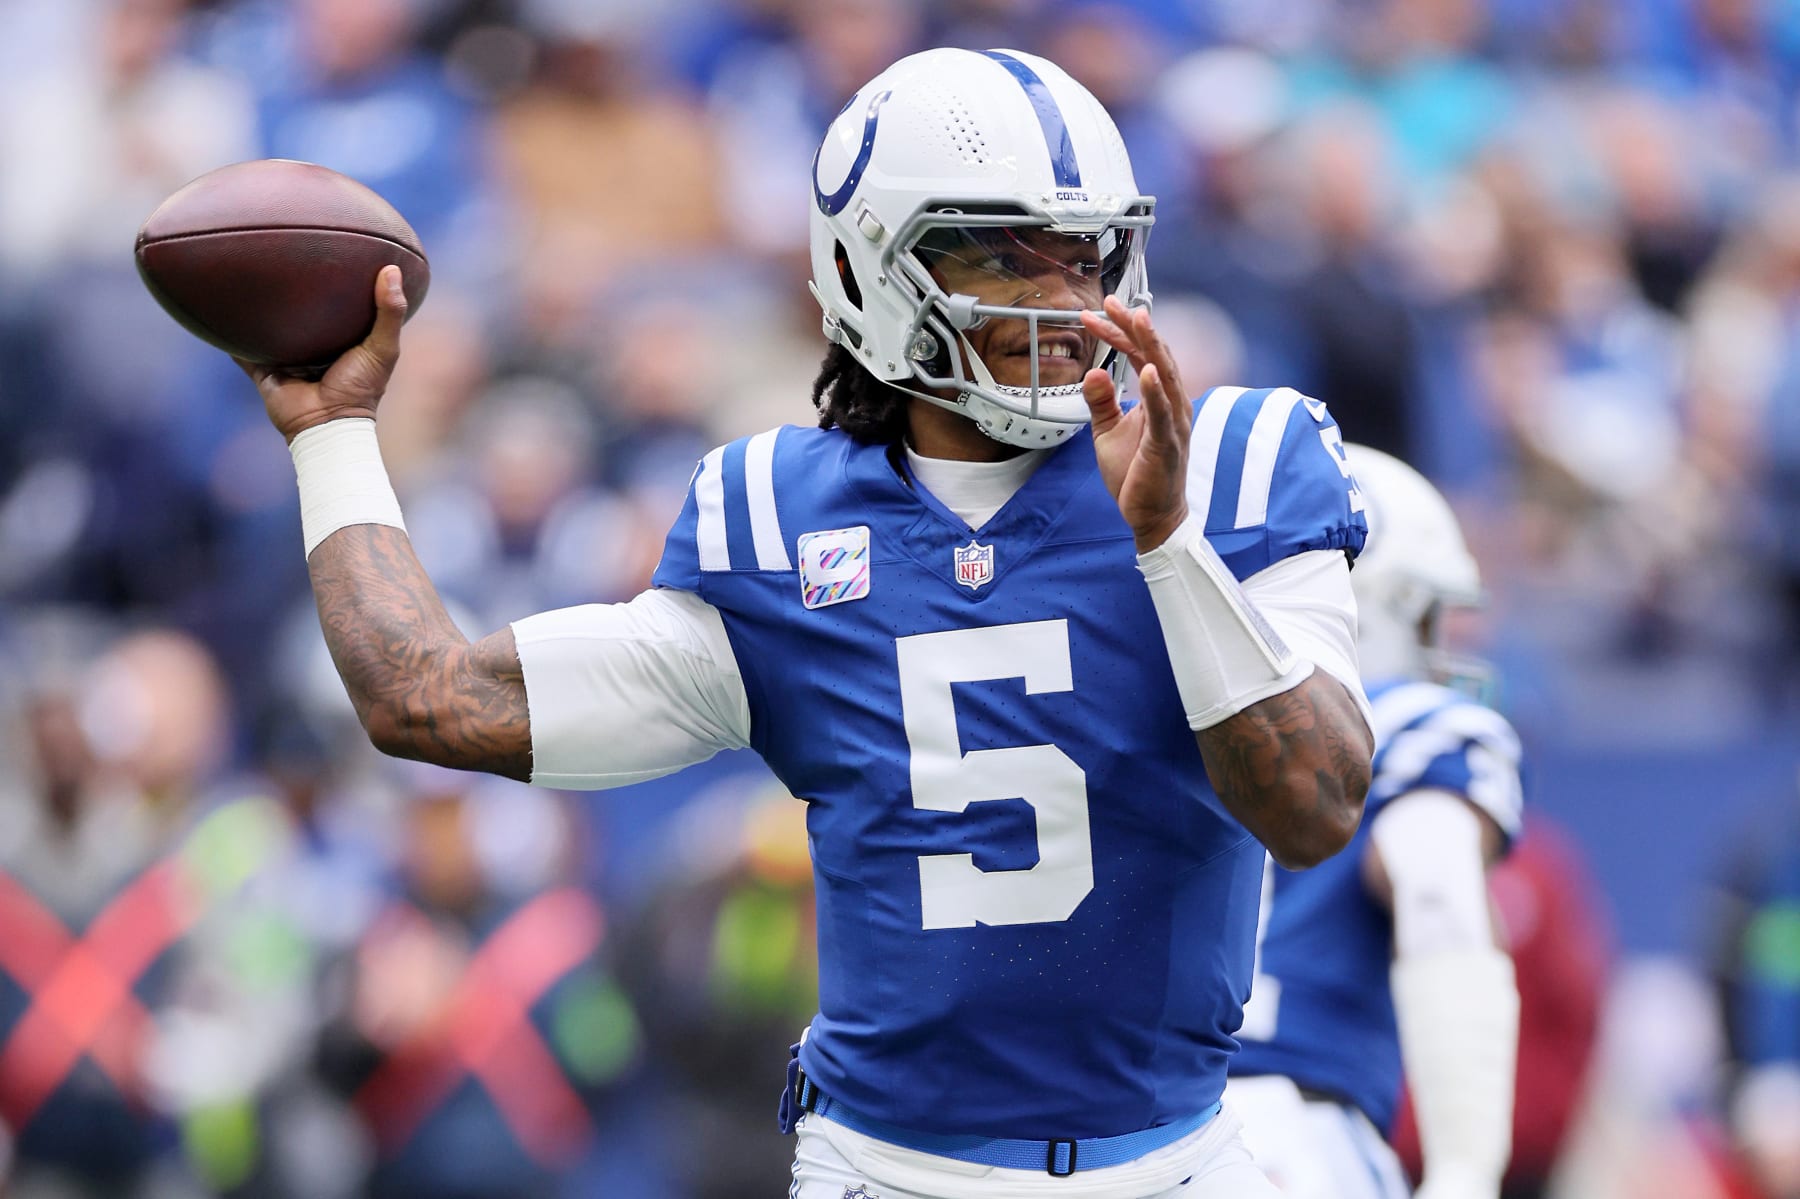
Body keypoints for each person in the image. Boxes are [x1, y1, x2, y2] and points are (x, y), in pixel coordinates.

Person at [242, 47, 1373, 1199]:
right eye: (999, 254)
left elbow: (1319, 807)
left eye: (1081, 255)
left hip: (1179, 1161)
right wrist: (333, 436)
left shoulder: (1238, 466)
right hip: (886, 1170)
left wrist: (1170, 548)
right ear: (863, 266)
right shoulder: (777, 526)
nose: (1064, 305)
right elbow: (427, 696)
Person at [1224, 445, 1523, 1199]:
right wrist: (1466, 1168)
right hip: (1298, 1135)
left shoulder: (1160, 717)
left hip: (1143, 1138)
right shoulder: (1408, 725)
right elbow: (1436, 897)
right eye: (1425, 614)